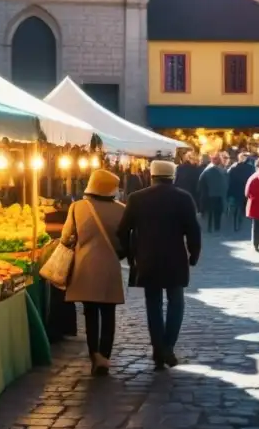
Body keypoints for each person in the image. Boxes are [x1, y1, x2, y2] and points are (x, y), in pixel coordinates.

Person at [117, 160, 202, 370]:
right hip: (175, 259)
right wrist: (194, 254)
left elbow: (122, 230)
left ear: (152, 176)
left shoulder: (136, 198)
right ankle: (168, 347)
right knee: (176, 303)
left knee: (153, 304)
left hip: (147, 259)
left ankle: (158, 348)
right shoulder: (184, 198)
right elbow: (193, 230)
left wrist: (130, 254)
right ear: (172, 177)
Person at [61, 169, 126, 376]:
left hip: (85, 266)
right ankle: (105, 357)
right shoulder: (122, 210)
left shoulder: (78, 207)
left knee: (90, 313)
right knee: (109, 313)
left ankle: (94, 354)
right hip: (110, 267)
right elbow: (126, 240)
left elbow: (66, 237)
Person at [199, 153, 230, 233]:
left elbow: (201, 181)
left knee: (214, 212)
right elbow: (201, 182)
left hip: (214, 194)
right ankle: (215, 227)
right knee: (214, 212)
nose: (219, 160)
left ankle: (214, 227)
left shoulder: (216, 169)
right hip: (214, 194)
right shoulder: (213, 170)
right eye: (216, 159)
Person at [227, 152, 253, 232]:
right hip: (245, 189)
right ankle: (240, 219)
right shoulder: (250, 168)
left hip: (235, 189)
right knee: (242, 205)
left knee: (236, 205)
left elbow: (229, 177)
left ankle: (236, 221)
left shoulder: (233, 168)